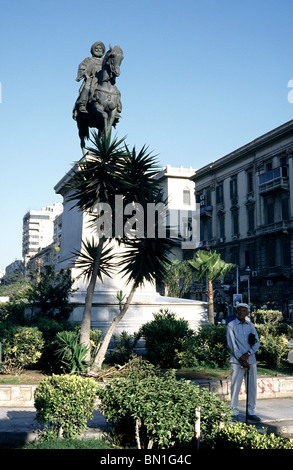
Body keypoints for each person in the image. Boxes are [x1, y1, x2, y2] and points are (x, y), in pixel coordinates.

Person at [226, 303, 260, 421]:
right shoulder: (231, 325)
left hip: (250, 361)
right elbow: (232, 344)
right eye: (239, 310)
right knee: (235, 387)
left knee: (252, 387)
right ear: (236, 312)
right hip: (236, 361)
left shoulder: (250, 326)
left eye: (244, 311)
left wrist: (248, 355)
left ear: (247, 313)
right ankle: (233, 412)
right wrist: (241, 358)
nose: (241, 312)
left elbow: (257, 343)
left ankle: (251, 411)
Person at [73, 41, 106, 115]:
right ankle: (82, 104)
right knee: (87, 88)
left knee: (115, 91)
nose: (98, 50)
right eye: (96, 48)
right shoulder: (88, 59)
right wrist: (86, 75)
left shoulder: (105, 61)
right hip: (91, 79)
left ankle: (116, 109)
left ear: (103, 50)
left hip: (103, 81)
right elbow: (82, 67)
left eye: (100, 48)